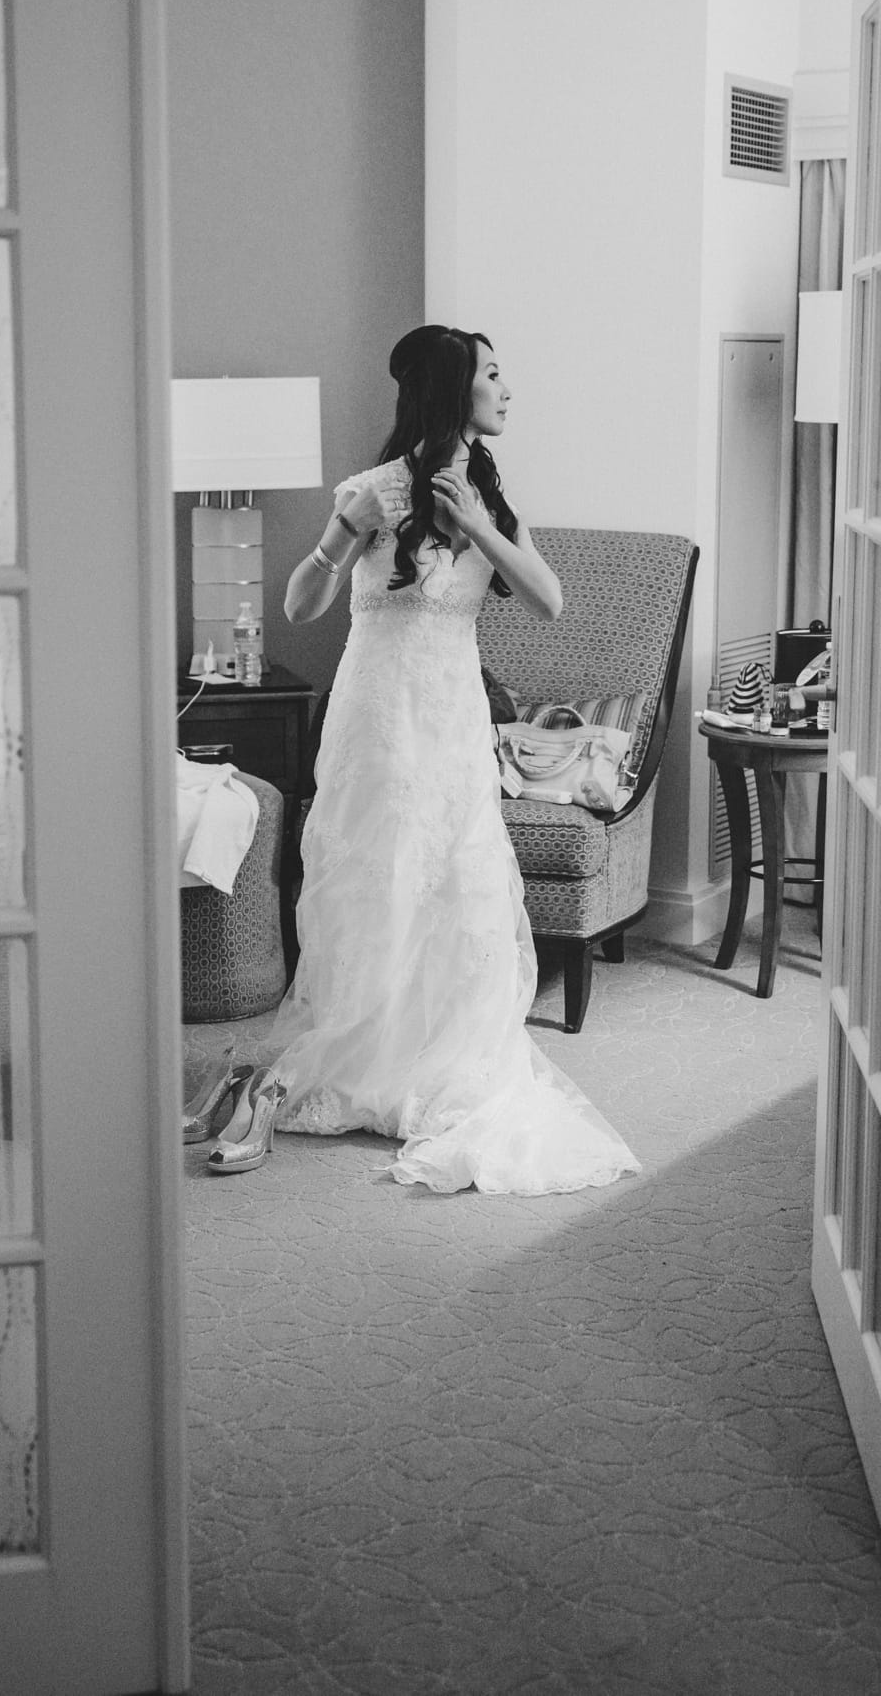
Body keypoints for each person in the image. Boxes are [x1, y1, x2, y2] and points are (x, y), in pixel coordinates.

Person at [220, 325, 639, 1194]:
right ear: (456, 391)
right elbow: (301, 605)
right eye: (492, 375)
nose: (507, 388)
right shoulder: (371, 491)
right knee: (375, 876)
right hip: (377, 714)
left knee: (457, 878)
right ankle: (350, 1048)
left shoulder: (490, 492)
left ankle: (431, 1053)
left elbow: (550, 601)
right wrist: (341, 531)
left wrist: (481, 528)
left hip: (448, 722)